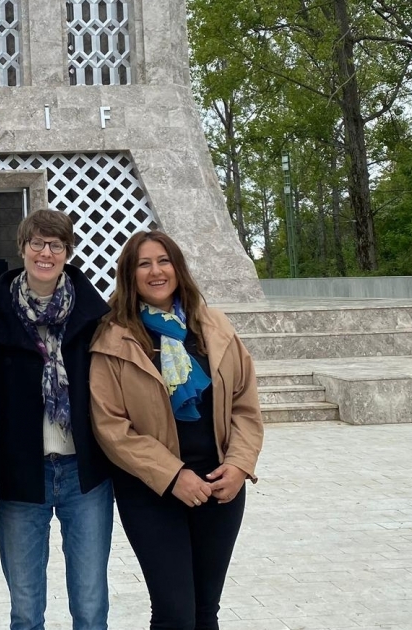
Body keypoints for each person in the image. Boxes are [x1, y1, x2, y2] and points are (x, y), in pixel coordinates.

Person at [89, 230, 264, 630]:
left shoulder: (213, 326)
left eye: (163, 260)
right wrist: (172, 475)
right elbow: (111, 426)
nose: (155, 271)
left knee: (206, 611)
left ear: (178, 267)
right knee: (174, 614)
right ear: (129, 275)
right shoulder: (114, 338)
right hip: (152, 492)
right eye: (144, 264)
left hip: (219, 486)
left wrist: (239, 465)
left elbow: (245, 404)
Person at [0, 210, 114, 630]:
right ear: (23, 248)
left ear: (68, 253)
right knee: (25, 610)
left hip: (84, 475)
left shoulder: (95, 318)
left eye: (56, 245)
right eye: (38, 243)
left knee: (91, 605)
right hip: (22, 477)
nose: (46, 253)